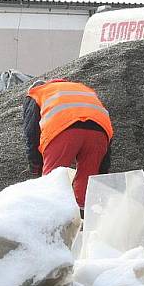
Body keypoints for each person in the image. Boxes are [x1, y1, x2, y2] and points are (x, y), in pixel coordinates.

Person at [23, 78, 113, 209]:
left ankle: (50, 219)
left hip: (63, 130)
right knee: (86, 189)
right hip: (99, 133)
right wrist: (101, 171)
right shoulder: (83, 89)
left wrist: (36, 167)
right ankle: (83, 219)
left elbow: (31, 133)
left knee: (51, 185)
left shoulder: (36, 93)